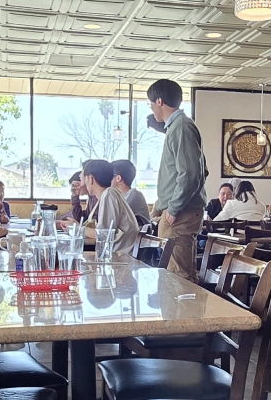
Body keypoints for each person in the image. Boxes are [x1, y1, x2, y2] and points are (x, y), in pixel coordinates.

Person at [148, 79, 207, 281]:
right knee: (178, 276)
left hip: (180, 214)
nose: (152, 109)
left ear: (159, 101)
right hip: (181, 211)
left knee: (179, 278)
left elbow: (191, 174)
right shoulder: (178, 127)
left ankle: (186, 314)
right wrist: (161, 205)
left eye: (151, 104)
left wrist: (173, 208)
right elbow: (200, 171)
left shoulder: (181, 127)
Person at [82, 159, 140, 255]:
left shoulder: (109, 194)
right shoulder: (110, 193)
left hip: (120, 257)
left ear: (91, 179)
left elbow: (103, 235)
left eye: (85, 178)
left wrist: (77, 229)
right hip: (116, 255)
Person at [111, 160, 149, 224]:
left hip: (137, 234)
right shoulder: (123, 196)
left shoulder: (134, 194)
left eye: (109, 175)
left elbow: (116, 217)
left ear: (118, 178)